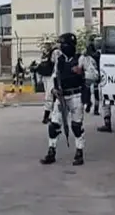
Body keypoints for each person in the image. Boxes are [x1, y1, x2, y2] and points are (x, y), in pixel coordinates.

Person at [40, 32, 97, 166]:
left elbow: (95, 75)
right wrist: (54, 90)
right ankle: (51, 151)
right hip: (61, 97)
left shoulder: (82, 59)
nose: (61, 47)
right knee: (54, 125)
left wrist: (81, 72)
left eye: (64, 44)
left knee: (76, 126)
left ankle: (79, 152)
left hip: (76, 96)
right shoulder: (59, 60)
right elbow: (54, 76)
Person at [37, 42, 56, 124]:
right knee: (48, 96)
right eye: (45, 44)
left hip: (51, 77)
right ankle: (48, 117)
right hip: (46, 77)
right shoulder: (45, 55)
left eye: (48, 44)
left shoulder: (53, 53)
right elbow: (42, 66)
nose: (46, 46)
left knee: (50, 96)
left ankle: (48, 116)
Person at [82, 36, 101, 116]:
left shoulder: (87, 52)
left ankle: (89, 104)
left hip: (89, 74)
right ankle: (95, 108)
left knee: (88, 90)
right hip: (96, 73)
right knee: (95, 91)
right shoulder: (97, 52)